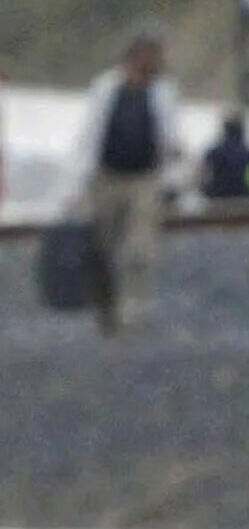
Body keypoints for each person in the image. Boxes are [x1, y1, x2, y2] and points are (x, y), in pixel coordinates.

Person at [71, 28, 181, 332]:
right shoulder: (106, 88)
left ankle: (135, 308)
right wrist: (79, 178)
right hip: (106, 176)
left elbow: (170, 138)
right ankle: (106, 308)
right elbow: (90, 133)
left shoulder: (164, 92)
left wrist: (172, 179)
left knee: (140, 247)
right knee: (102, 245)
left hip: (144, 178)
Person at [200, 113, 249, 199]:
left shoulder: (213, 154)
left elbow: (205, 180)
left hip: (218, 203)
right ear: (243, 131)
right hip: (246, 202)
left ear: (225, 131)